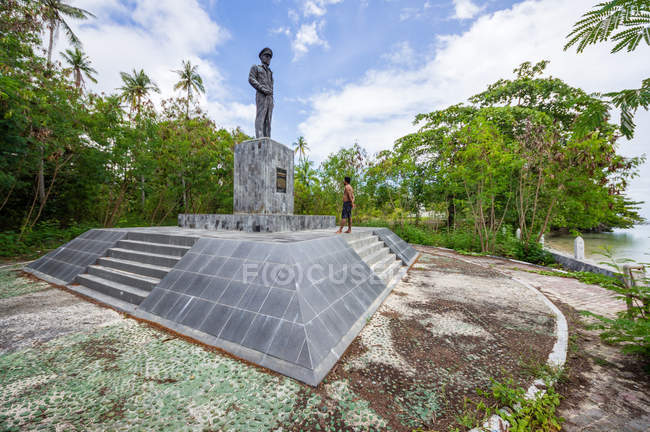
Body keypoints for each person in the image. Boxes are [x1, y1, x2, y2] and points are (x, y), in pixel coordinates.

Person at [248, 47, 274, 138]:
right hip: (261, 95)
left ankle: (267, 137)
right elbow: (251, 79)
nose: (268, 58)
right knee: (261, 116)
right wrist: (262, 89)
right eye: (266, 56)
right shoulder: (256, 68)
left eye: (269, 57)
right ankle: (260, 137)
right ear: (261, 57)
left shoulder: (270, 72)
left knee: (268, 119)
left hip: (270, 97)